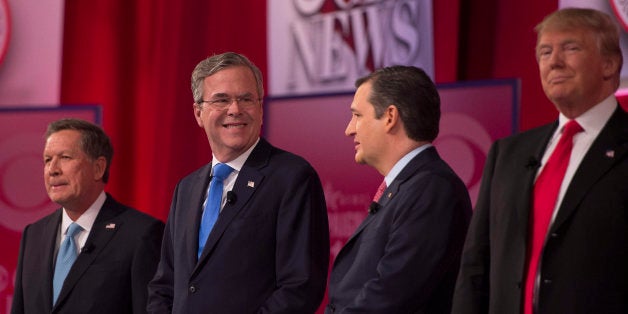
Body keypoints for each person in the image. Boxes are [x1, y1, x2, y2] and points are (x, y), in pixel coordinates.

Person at [452, 7, 628, 314]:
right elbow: (475, 266)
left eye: (571, 48)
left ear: (610, 64)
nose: (554, 62)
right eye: (545, 52)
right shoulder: (507, 154)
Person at [147, 52, 330, 313]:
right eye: (222, 100)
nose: (235, 109)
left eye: (246, 99)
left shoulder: (292, 177)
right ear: (198, 113)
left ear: (260, 108)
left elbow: (300, 287)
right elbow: (164, 285)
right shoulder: (186, 188)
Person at [324, 65, 472, 313]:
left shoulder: (432, 189)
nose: (349, 129)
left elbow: (391, 295)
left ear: (390, 117)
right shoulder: (411, 185)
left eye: (358, 116)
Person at [11, 118, 164, 314]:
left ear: (99, 167)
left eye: (65, 157)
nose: (53, 170)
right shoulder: (33, 235)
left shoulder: (140, 234)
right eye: (47, 160)